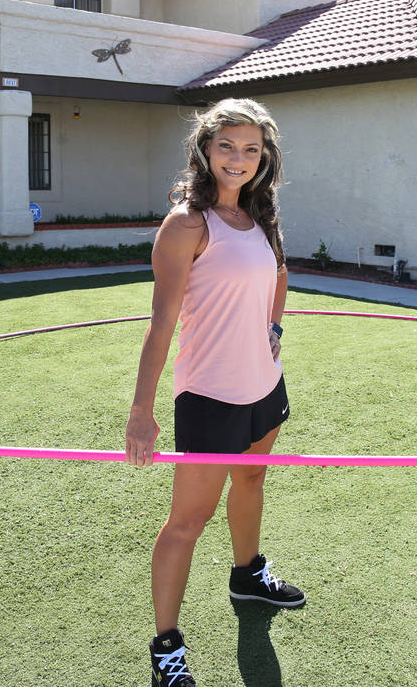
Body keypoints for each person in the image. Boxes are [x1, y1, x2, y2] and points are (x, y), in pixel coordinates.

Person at [125, 98, 305, 687]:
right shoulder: (187, 224)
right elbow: (161, 322)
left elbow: (278, 273)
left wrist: (274, 326)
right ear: (205, 149)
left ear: (264, 157)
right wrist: (141, 411)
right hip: (209, 396)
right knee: (188, 521)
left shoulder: (259, 218)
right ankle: (166, 647)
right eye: (227, 145)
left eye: (251, 149)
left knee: (251, 479)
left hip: (264, 387)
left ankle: (246, 575)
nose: (238, 159)